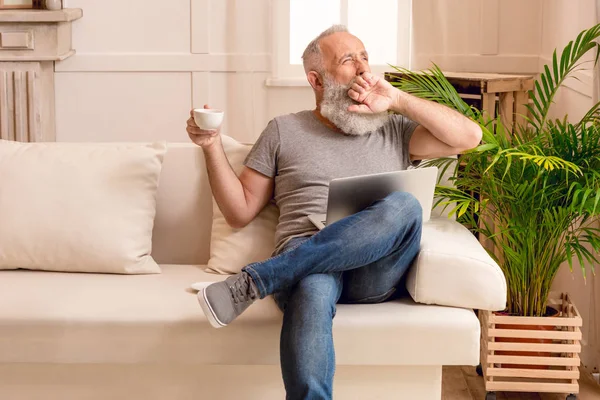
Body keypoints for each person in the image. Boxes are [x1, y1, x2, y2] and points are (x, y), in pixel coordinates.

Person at [186, 25, 481, 400]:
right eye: (347, 60)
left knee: (405, 206)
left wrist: (398, 99)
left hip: (374, 269)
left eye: (365, 57)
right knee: (311, 284)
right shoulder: (283, 130)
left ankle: (257, 281)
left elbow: (469, 138)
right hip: (307, 259)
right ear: (317, 79)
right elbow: (239, 211)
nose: (363, 69)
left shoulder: (393, 128)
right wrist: (210, 145)